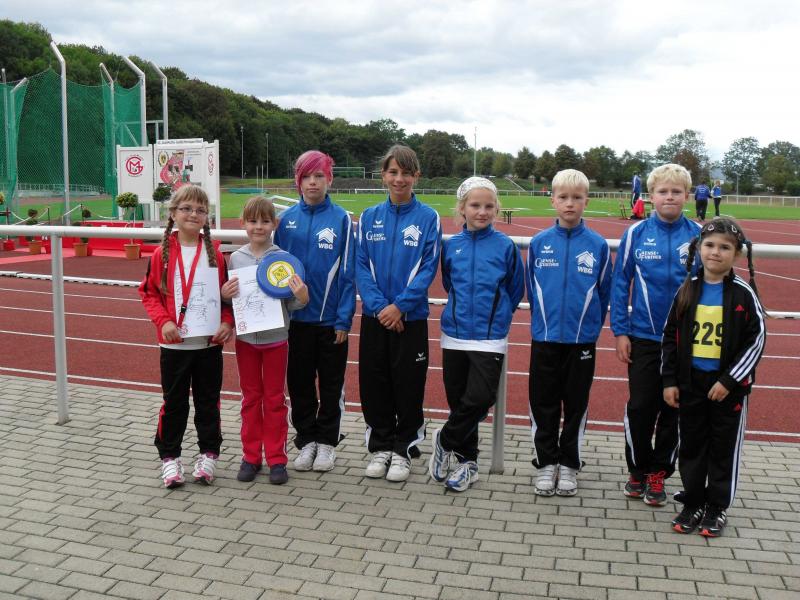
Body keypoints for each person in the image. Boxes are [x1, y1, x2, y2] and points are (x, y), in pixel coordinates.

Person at [662, 218, 765, 536]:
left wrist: (729, 381)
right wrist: (669, 380)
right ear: (698, 249)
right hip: (691, 384)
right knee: (691, 445)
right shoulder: (687, 290)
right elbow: (669, 338)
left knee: (723, 448)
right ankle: (693, 501)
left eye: (724, 247)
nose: (715, 252)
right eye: (709, 245)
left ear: (737, 254)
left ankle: (716, 506)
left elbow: (756, 340)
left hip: (727, 388)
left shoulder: (743, 294)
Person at [611, 164, 702, 506]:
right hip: (644, 336)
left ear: (687, 196)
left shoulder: (698, 234)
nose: (669, 197)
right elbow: (621, 283)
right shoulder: (635, 233)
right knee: (640, 407)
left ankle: (658, 474)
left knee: (673, 410)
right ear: (651, 196)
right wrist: (620, 331)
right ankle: (637, 469)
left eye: (676, 192)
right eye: (663, 191)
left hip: (684, 341)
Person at [428, 177, 524, 492]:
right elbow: (448, 283)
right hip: (454, 334)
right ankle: (467, 463)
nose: (482, 211)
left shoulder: (506, 246)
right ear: (463, 209)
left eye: (488, 206)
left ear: (496, 209)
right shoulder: (451, 246)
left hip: (490, 336)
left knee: (481, 398)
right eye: (475, 205)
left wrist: (498, 315)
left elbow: (514, 289)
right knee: (460, 403)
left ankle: (444, 440)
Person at [356, 144, 442, 482]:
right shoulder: (369, 217)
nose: (399, 179)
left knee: (408, 385)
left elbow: (428, 267)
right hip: (376, 317)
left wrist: (400, 306)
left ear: (416, 176)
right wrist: (381, 307)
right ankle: (380, 447)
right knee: (374, 382)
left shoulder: (428, 217)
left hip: (411, 317)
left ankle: (403, 449)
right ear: (383, 175)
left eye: (406, 173)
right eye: (393, 172)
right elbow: (361, 265)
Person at [139, 185, 234, 488]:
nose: (194, 214)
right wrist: (164, 321)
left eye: (200, 210)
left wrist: (227, 322)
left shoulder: (215, 254)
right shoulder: (161, 254)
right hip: (175, 345)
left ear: (207, 216)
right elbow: (149, 293)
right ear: (173, 213)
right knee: (175, 404)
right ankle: (170, 458)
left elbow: (226, 299)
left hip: (208, 345)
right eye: (187, 209)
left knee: (208, 403)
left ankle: (208, 455)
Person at [525, 169, 612, 496]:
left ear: (586, 201)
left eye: (577, 198)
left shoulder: (598, 245)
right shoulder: (539, 243)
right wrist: (543, 324)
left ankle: (570, 464)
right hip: (545, 339)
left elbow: (604, 292)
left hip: (581, 342)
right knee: (543, 403)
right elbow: (531, 289)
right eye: (563, 197)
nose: (570, 203)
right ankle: (546, 462)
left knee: (575, 405)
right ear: (553, 200)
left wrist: (589, 328)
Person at [273, 150, 356, 473]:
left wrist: (344, 319)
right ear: (298, 181)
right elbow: (275, 269)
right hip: (296, 322)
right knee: (300, 384)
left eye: (319, 176)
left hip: (331, 322)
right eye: (306, 176)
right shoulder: (286, 221)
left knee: (331, 386)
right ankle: (306, 440)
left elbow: (348, 274)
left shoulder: (342, 220)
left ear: (329, 180)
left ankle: (327, 442)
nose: (312, 182)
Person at [221, 196, 308, 485]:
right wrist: (225, 295)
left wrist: (302, 297)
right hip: (247, 340)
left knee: (274, 399)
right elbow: (233, 303)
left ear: (275, 224)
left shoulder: (283, 259)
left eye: (265, 221)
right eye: (252, 221)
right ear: (243, 223)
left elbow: (291, 304)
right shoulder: (236, 258)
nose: (258, 226)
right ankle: (250, 457)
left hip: (276, 340)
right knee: (250, 398)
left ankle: (276, 459)